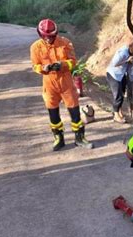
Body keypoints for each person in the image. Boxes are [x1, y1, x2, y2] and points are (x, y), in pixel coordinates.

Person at [30, 18, 93, 151]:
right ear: (40, 34)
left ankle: (80, 138)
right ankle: (59, 138)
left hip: (66, 83)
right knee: (53, 113)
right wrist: (43, 68)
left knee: (74, 112)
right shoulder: (35, 47)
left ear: (55, 33)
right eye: (45, 36)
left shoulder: (65, 43)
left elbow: (73, 62)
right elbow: (35, 66)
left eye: (51, 36)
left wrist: (62, 64)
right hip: (49, 84)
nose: (48, 39)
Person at [106, 40, 133, 123]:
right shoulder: (123, 53)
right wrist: (127, 61)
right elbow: (114, 63)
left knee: (122, 94)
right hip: (113, 75)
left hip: (121, 75)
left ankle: (119, 112)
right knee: (118, 96)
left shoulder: (129, 53)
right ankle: (116, 115)